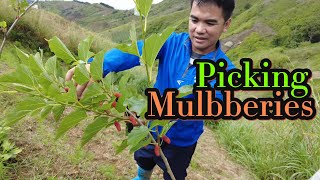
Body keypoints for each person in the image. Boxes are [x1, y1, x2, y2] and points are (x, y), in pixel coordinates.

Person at [66, 0, 235, 179]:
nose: (200, 29)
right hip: (150, 127)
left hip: (182, 141)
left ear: (226, 24)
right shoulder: (171, 43)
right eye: (194, 20)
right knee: (144, 158)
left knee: (174, 173)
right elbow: (136, 51)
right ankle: (142, 177)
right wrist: (97, 66)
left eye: (210, 23)